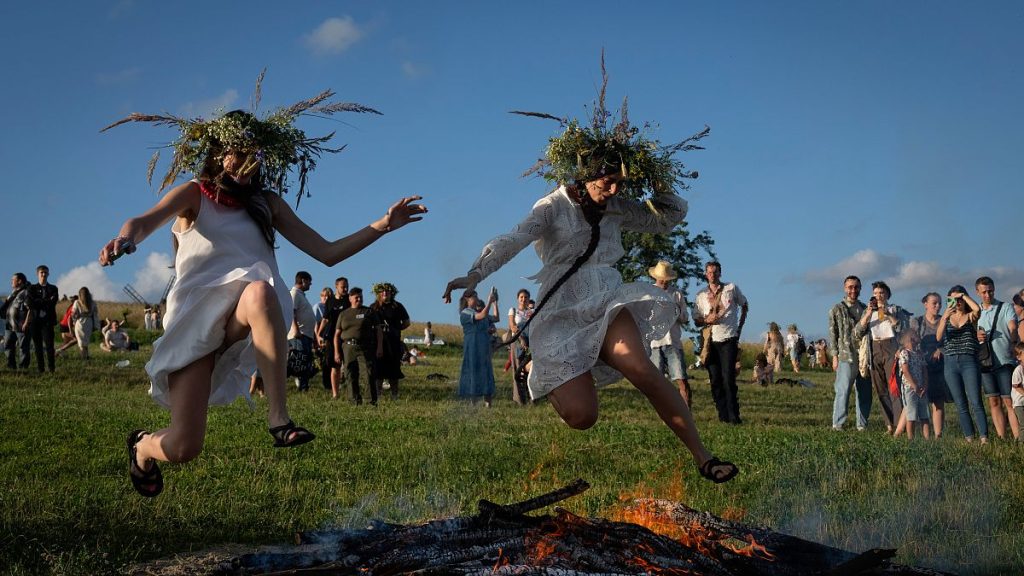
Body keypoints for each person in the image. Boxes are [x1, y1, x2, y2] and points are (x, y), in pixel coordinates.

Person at [99, 86, 427, 497]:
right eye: (237, 152)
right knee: (184, 447)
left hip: (240, 320)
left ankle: (278, 419)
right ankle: (142, 446)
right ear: (220, 154)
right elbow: (143, 221)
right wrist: (124, 240)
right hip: (194, 328)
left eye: (254, 154)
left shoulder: (267, 205)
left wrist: (382, 225)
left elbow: (326, 253)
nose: (246, 162)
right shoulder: (194, 195)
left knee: (260, 290)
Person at [442, 77, 737, 483]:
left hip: (605, 298)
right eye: (606, 181)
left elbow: (666, 218)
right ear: (584, 173)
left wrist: (658, 181)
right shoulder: (552, 206)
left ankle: (703, 457)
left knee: (644, 371)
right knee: (583, 417)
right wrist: (475, 272)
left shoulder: (616, 206)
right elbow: (514, 239)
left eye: (620, 182)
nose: (613, 189)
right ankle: (541, 376)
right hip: (561, 308)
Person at [694, 261, 748, 425]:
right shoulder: (701, 295)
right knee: (715, 380)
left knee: (728, 379)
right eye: (709, 272)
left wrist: (739, 328)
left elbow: (745, 305)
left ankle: (734, 416)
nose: (712, 275)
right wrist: (706, 320)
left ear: (720, 273)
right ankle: (723, 415)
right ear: (705, 274)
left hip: (728, 338)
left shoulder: (731, 288)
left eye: (715, 272)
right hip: (710, 342)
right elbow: (696, 320)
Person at [935, 286, 987, 442]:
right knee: (960, 403)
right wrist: (944, 317)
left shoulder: (971, 316)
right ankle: (969, 437)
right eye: (952, 299)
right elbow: (938, 338)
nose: (956, 302)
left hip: (968, 361)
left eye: (959, 300)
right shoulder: (945, 318)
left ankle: (984, 437)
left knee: (976, 400)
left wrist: (963, 296)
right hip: (950, 363)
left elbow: (977, 309)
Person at [858, 281, 909, 434]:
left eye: (881, 293)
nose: (878, 296)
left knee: (894, 386)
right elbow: (858, 332)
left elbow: (902, 328)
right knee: (880, 389)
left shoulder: (895, 309)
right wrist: (867, 314)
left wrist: (888, 314)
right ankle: (889, 425)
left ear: (887, 294)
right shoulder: (868, 311)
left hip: (890, 346)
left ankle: (900, 424)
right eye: (875, 293)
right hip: (874, 347)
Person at [974, 276, 1020, 441]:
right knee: (993, 401)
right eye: (984, 292)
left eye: (990, 291)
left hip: (1005, 360)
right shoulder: (975, 312)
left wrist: (1013, 337)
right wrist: (976, 335)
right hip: (985, 362)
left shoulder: (1006, 307)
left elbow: (1012, 325)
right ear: (978, 292)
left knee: (1009, 401)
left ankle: (1017, 437)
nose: (988, 295)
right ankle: (1001, 437)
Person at [648, 261, 692, 406]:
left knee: (681, 379)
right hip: (654, 343)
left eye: (667, 280)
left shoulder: (676, 294)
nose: (664, 282)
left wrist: (674, 311)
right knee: (657, 383)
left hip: (673, 341)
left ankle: (687, 412)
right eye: (662, 279)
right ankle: (665, 411)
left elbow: (685, 317)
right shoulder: (649, 293)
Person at [333, 287, 381, 405]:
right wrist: (336, 352)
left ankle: (370, 401)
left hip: (365, 346)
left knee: (368, 373)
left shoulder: (369, 312)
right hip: (348, 347)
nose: (359, 299)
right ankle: (354, 400)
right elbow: (337, 334)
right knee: (350, 374)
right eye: (356, 297)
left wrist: (380, 347)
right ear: (350, 298)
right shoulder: (344, 314)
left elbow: (379, 330)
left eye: (360, 297)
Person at [910, 292, 948, 437]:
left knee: (938, 402)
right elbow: (911, 340)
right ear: (925, 304)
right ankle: (908, 434)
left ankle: (938, 435)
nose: (937, 306)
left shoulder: (944, 321)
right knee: (917, 400)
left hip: (939, 366)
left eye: (939, 303)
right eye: (934, 303)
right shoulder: (917, 322)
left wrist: (940, 349)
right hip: (921, 366)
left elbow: (949, 341)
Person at [457, 289, 499, 406]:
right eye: (475, 296)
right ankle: (473, 403)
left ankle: (488, 403)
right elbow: (482, 315)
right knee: (473, 372)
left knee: (486, 371)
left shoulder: (478, 311)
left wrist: (495, 302)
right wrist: (489, 302)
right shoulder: (466, 313)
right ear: (467, 299)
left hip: (483, 346)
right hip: (472, 346)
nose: (477, 299)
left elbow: (496, 318)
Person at [371, 282, 410, 400]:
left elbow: (407, 322)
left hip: (393, 342)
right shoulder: (374, 307)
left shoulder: (397, 306)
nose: (384, 293)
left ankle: (394, 395)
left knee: (394, 370)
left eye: (387, 291)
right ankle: (378, 394)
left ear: (391, 293)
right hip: (378, 342)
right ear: (378, 293)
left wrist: (396, 329)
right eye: (382, 291)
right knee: (378, 370)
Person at [896, 329, 930, 440]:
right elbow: (905, 370)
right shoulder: (905, 353)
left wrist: (925, 384)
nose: (918, 336)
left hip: (921, 388)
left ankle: (927, 438)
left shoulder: (919, 354)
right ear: (910, 339)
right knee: (911, 415)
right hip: (909, 388)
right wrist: (914, 385)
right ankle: (911, 438)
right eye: (915, 335)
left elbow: (924, 369)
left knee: (924, 414)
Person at [28, 265, 59, 373]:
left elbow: (53, 302)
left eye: (46, 272)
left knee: (49, 345)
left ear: (48, 274)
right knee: (38, 346)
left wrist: (39, 301)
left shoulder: (53, 288)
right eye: (42, 272)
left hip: (48, 321)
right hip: (35, 321)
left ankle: (51, 369)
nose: (44, 274)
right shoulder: (31, 288)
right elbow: (31, 303)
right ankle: (41, 369)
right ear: (37, 274)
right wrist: (46, 301)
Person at [288, 271, 316, 392]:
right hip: (299, 335)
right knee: (299, 361)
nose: (311, 284)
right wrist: (296, 329)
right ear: (303, 280)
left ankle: (304, 387)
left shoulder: (301, 295)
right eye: (309, 281)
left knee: (305, 362)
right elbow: (291, 312)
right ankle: (301, 387)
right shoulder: (294, 294)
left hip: (306, 335)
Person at [314, 287, 341, 396]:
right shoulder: (318, 307)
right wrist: (318, 336)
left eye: (327, 296)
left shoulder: (332, 306)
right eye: (323, 296)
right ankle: (327, 383)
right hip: (324, 334)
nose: (325, 298)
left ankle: (335, 383)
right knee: (326, 361)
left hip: (332, 333)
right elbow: (316, 323)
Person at [507, 288, 532, 405]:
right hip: (518, 341)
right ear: (518, 299)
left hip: (530, 342)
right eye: (521, 297)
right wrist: (521, 339)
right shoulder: (513, 311)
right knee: (518, 370)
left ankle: (532, 397)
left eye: (526, 297)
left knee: (530, 369)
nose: (524, 299)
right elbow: (513, 326)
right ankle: (519, 400)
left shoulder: (532, 312)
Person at [3, 272, 32, 369]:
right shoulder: (13, 293)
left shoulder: (26, 292)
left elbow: (30, 309)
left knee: (23, 347)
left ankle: (23, 368)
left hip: (21, 325)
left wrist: (27, 322)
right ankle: (11, 367)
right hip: (10, 325)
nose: (11, 281)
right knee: (7, 345)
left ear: (19, 281)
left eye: (13, 280)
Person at [71, 287, 101, 359]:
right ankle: (86, 356)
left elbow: (73, 314)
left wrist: (74, 321)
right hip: (89, 322)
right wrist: (96, 325)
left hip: (80, 322)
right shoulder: (93, 303)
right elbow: (95, 314)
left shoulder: (77, 302)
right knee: (85, 342)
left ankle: (83, 357)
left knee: (81, 342)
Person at [1010, 342, 1024, 436]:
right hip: (1019, 403)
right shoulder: (1018, 370)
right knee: (1023, 425)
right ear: (1019, 357)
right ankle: (1021, 444)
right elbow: (1017, 386)